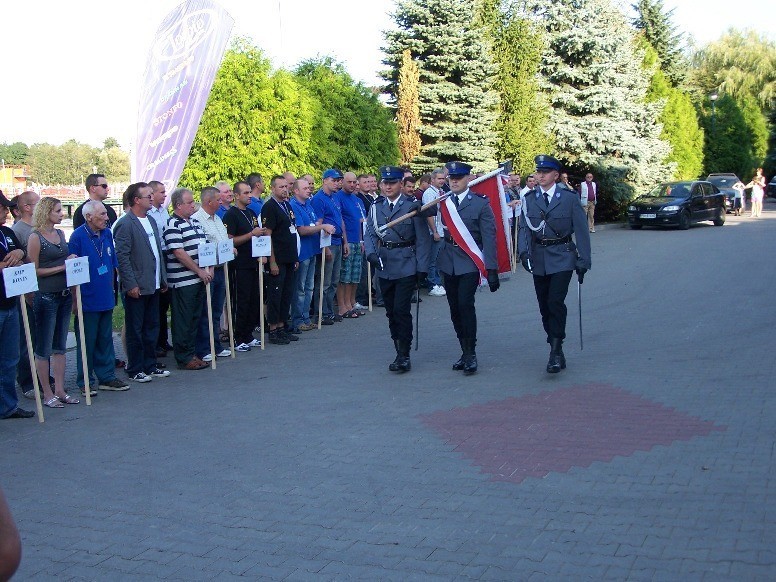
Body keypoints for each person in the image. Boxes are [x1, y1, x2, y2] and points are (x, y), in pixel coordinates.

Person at [518, 155, 591, 373]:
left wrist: (584, 259)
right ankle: (554, 344)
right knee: (544, 306)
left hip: (563, 256)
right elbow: (524, 228)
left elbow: (581, 229)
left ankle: (556, 351)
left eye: (545, 172)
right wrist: (524, 253)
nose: (539, 176)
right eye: (538, 172)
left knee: (555, 302)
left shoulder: (568, 198)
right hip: (539, 257)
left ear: (555, 175)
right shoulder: (530, 198)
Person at [364, 166, 431, 372]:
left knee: (402, 310)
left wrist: (422, 267)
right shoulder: (376, 207)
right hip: (384, 264)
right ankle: (397, 347)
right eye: (385, 183)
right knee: (391, 312)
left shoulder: (411, 206)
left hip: (406, 263)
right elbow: (370, 233)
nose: (388, 186)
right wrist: (371, 253)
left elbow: (422, 239)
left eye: (392, 183)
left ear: (401, 185)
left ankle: (404, 354)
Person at [436, 162, 500, 375]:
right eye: (451, 178)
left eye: (459, 177)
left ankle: (471, 353)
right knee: (455, 309)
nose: (453, 181)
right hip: (448, 261)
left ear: (468, 179)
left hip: (469, 262)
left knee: (465, 304)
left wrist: (491, 269)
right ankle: (463, 351)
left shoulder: (480, 204)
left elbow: (489, 237)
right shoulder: (442, 202)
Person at [68, 200, 129, 392]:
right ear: (88, 217)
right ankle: (85, 380)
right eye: (102, 214)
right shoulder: (77, 237)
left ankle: (107, 377)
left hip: (106, 296)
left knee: (105, 339)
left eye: (106, 214)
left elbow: (112, 264)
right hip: (87, 297)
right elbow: (72, 271)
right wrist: (75, 300)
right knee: (87, 341)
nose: (106, 217)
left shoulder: (107, 233)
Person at [114, 183, 170, 383]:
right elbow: (122, 257)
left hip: (153, 284)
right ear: (136, 200)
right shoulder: (126, 223)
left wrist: (162, 278)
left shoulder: (152, 221)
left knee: (151, 327)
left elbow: (158, 254)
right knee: (135, 329)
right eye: (147, 196)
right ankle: (135, 368)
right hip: (137, 286)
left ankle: (150, 364)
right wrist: (130, 284)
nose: (151, 198)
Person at [26, 197, 78, 408]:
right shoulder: (35, 237)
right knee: (44, 346)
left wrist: (71, 260)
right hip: (45, 296)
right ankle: (47, 393)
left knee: (60, 345)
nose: (61, 214)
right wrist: (62, 268)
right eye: (57, 210)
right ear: (47, 212)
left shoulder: (60, 234)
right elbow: (33, 270)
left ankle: (60, 389)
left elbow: (64, 259)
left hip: (63, 294)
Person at [164, 188, 212, 370]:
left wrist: (209, 268)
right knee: (183, 320)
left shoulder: (196, 223)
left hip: (199, 279)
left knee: (195, 319)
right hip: (183, 281)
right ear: (178, 205)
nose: (193, 205)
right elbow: (178, 252)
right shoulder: (172, 224)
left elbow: (205, 247)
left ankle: (192, 353)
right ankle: (184, 357)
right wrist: (199, 270)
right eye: (190, 203)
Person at [0, 191, 34, 419]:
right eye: (2, 207)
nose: (6, 210)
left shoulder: (7, 232)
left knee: (10, 358)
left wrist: (20, 252)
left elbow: (26, 259)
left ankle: (8, 406)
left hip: (11, 303)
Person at [223, 181, 266, 352]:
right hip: (239, 264)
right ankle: (238, 336)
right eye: (246, 193)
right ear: (237, 196)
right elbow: (229, 239)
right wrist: (250, 235)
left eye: (250, 192)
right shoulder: (231, 215)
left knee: (254, 300)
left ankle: (248, 334)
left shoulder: (251, 213)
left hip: (253, 262)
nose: (249, 196)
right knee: (241, 300)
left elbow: (257, 235)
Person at [10, 190, 45, 401]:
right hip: (26, 293)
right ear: (27, 207)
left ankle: (42, 377)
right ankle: (27, 381)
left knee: (40, 338)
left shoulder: (37, 228)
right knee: (26, 340)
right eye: (38, 203)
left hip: (43, 291)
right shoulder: (19, 230)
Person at [192, 187, 231, 361]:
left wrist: (231, 249)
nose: (221, 202)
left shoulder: (218, 219)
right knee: (204, 311)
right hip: (207, 270)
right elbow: (200, 246)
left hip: (222, 268)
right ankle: (203, 348)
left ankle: (215, 344)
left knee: (216, 310)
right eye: (218, 199)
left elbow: (222, 241)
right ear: (209, 202)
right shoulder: (197, 220)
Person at [289, 179, 333, 333]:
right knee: (300, 288)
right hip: (302, 253)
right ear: (296, 191)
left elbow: (314, 224)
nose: (309, 190)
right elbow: (302, 230)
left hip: (313, 249)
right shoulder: (294, 206)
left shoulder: (308, 204)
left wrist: (321, 228)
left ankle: (306, 318)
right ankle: (297, 319)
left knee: (309, 286)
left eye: (309, 187)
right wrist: (321, 226)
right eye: (305, 188)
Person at [261, 176, 299, 345]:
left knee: (286, 294)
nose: (285, 189)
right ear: (273, 189)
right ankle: (274, 329)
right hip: (278, 259)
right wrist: (272, 261)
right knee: (275, 294)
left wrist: (295, 258)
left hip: (289, 257)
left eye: (286, 186)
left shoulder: (287, 205)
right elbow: (268, 235)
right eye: (281, 187)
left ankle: (283, 326)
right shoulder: (269, 207)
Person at [311, 168, 347, 324]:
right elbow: (318, 224)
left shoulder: (335, 197)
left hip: (338, 240)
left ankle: (329, 310)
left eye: (338, 180)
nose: (337, 183)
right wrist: (324, 247)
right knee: (324, 280)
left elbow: (340, 219)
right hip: (328, 242)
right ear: (325, 180)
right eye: (334, 180)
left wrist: (345, 241)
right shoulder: (319, 199)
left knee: (334, 280)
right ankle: (321, 312)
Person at [146, 180, 173, 356]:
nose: (164, 195)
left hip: (168, 255)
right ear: (153, 194)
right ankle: (155, 343)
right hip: (157, 255)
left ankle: (163, 339)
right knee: (156, 305)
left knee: (165, 302)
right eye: (161, 192)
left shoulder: (165, 212)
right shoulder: (150, 214)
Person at [336, 172, 366, 318]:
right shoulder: (338, 197)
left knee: (355, 275)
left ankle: (352, 302)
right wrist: (345, 241)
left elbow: (360, 221)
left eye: (354, 182)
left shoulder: (356, 199)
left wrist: (361, 240)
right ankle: (343, 305)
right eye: (349, 182)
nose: (353, 185)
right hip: (347, 241)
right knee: (345, 275)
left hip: (357, 240)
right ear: (343, 182)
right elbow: (341, 220)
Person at [422, 169, 447, 297]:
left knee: (438, 260)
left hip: (442, 230)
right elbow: (429, 214)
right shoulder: (429, 194)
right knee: (433, 260)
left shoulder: (441, 192)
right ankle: (432, 285)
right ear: (432, 180)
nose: (442, 181)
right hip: (434, 232)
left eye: (443, 178)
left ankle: (437, 282)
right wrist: (434, 231)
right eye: (439, 178)